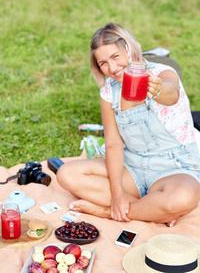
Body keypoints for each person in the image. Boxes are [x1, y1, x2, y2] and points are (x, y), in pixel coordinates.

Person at [57, 23, 200, 227]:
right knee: (66, 174)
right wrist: (117, 193)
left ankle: (107, 212)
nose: (112, 68)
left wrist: (157, 89)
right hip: (132, 167)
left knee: (183, 197)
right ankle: (152, 210)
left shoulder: (161, 72)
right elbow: (113, 143)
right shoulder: (109, 91)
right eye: (103, 63)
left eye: (116, 57)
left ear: (129, 48)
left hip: (175, 167)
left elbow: (172, 94)